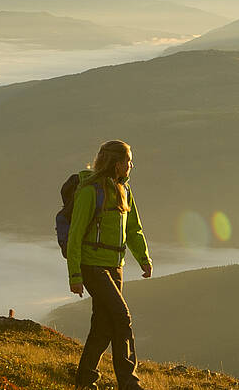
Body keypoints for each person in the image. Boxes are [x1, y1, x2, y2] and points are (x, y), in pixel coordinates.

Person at [66, 140, 153, 390]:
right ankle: (129, 383)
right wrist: (74, 275)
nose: (131, 165)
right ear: (117, 165)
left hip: (116, 267)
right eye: (128, 161)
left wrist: (144, 258)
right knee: (122, 317)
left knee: (103, 326)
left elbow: (134, 228)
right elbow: (75, 235)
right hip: (92, 267)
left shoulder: (124, 191)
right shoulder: (89, 191)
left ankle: (85, 380)